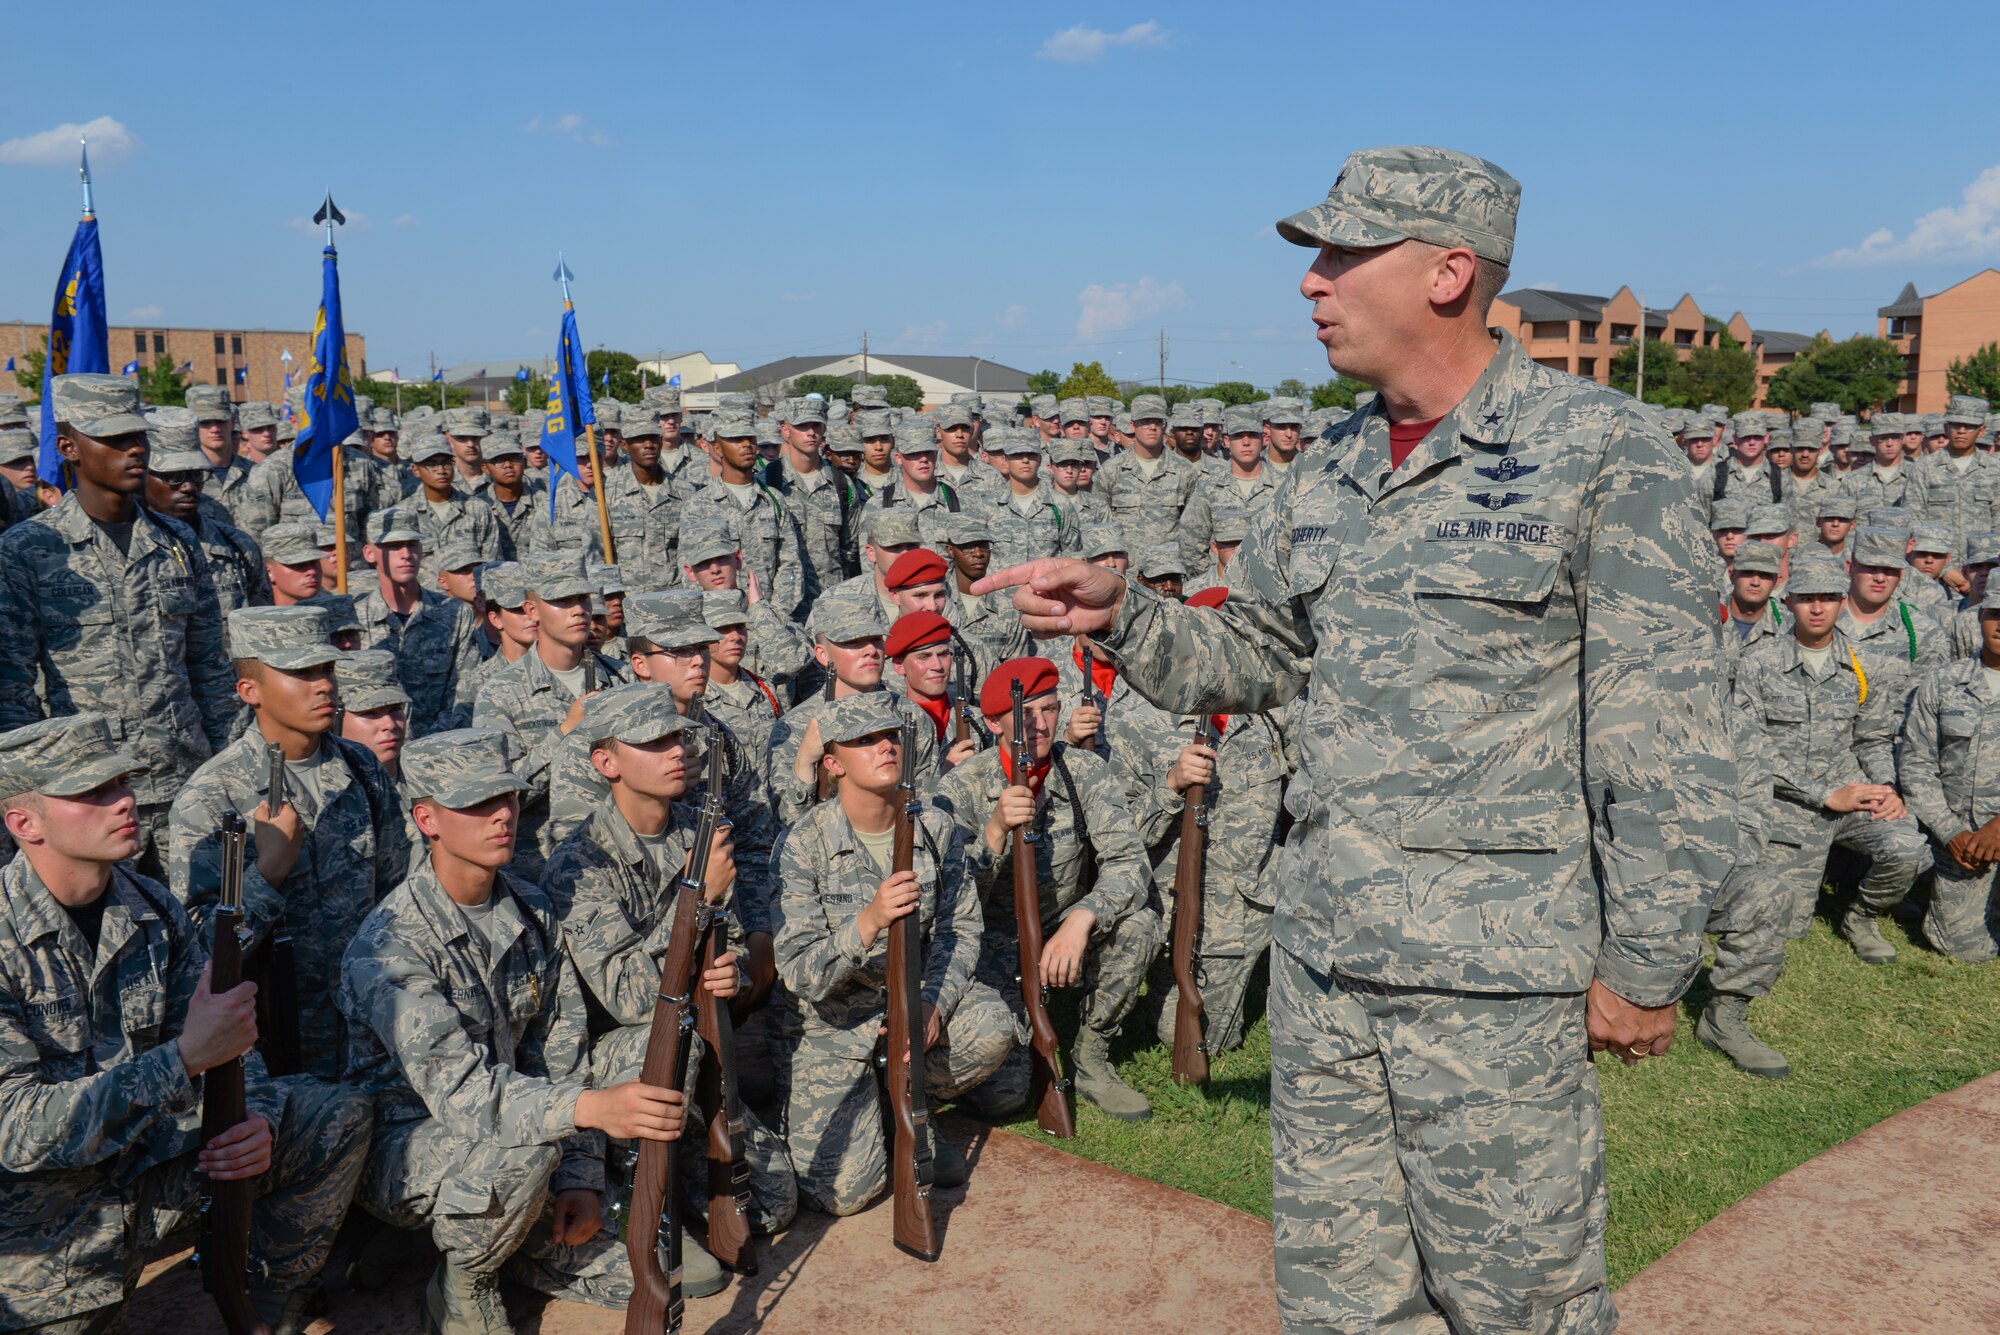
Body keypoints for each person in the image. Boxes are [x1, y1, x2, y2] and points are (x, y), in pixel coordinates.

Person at [977, 145, 1735, 1334]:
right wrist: (1120, 616)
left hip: (1491, 980)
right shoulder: (1326, 461)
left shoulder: (1603, 451)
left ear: (1445, 272)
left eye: (1338, 254)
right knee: (1340, 1303)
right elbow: (1262, 659)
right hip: (1325, 954)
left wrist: (1644, 964)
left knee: (1515, 1303)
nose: (1309, 283)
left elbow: (1666, 735)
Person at [0, 713, 370, 1335]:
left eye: (121, 784)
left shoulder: (152, 907)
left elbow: (228, 1042)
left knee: (333, 1116)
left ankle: (273, 1303)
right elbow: (13, 1131)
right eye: (92, 793)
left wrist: (253, 1118)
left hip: (154, 1169)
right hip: (46, 1222)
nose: (123, 803)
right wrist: (179, 1063)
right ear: (24, 823)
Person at [339, 729, 688, 1333]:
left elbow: (562, 1047)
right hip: (407, 1145)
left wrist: (578, 1177)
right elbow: (464, 1093)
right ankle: (463, 1284)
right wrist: (589, 1111)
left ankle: (510, 1237)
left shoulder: (531, 910)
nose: (501, 815)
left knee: (670, 1272)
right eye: (476, 804)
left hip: (521, 1133)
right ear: (427, 819)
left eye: (507, 797)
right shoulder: (391, 944)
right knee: (523, 1154)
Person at [540, 685, 797, 1273]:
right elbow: (630, 997)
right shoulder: (580, 864)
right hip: (618, 1058)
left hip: (697, 1048)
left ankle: (681, 1167)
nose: (676, 751)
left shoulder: (698, 831)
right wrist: (693, 900)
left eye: (678, 737)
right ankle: (636, 1190)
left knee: (776, 1202)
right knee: (674, 1038)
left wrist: (726, 968)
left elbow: (719, 941)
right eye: (653, 743)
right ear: (606, 762)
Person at [770, 692, 1010, 1216]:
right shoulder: (802, 843)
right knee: (845, 1196)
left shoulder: (935, 828)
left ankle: (906, 1099)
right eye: (864, 741)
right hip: (834, 1022)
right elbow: (797, 972)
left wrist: (933, 1002)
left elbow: (961, 930)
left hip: (913, 998)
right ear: (833, 764)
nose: (884, 747)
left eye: (890, 737)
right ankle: (872, 1108)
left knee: (993, 1026)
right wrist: (868, 922)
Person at [0, 374, 237, 874]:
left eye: (138, 437)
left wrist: (230, 771)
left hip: (186, 785)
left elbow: (210, 669)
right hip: (87, 799)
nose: (134, 451)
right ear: (68, 447)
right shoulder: (29, 551)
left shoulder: (177, 543)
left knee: (204, 939)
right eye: (112, 439)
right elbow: (13, 692)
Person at [165, 605, 411, 1085]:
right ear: (249, 690)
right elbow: (200, 956)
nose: (323, 685)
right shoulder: (213, 796)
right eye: (300, 672)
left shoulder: (361, 771)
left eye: (325, 669)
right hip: (279, 1057)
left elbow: (398, 895)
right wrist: (269, 874)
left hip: (374, 1030)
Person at [1710, 556, 1928, 1076]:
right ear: (1788, 603)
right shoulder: (1759, 663)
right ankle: (1724, 1013)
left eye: (1827, 598)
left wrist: (1885, 790)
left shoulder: (1859, 666)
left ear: (1840, 603)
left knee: (1908, 848)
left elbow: (1872, 738)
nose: (1817, 607)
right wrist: (1821, 793)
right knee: (1778, 920)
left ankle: (1862, 917)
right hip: (1782, 804)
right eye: (1807, 597)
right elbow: (1750, 749)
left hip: (1849, 799)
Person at [931, 658, 1160, 1120]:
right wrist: (995, 830)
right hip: (991, 940)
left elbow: (1128, 864)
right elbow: (949, 899)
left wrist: (1082, 918)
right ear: (994, 722)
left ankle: (1093, 1053)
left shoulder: (1082, 771)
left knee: (1141, 922)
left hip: (1061, 923)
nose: (1041, 724)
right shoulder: (960, 788)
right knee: (1007, 1097)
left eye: (1051, 709)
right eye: (1027, 713)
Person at [471, 552, 628, 879]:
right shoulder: (501, 694)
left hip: (622, 858)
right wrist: (565, 732)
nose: (578, 610)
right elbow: (502, 799)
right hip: (543, 867)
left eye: (582, 598)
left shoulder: (622, 680)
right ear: (532, 610)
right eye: (561, 600)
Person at [353, 507, 485, 737]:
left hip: (441, 746)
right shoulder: (355, 619)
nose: (406, 554)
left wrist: (430, 743)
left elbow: (465, 692)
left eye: (412, 545)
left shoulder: (454, 614)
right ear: (369, 553)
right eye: (393, 546)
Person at [144, 429, 270, 616]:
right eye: (173, 477)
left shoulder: (239, 547)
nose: (189, 487)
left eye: (197, 475)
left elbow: (262, 626)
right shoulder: (127, 549)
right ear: (143, 477)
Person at [337, 647, 412, 778]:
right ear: (335, 717)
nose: (390, 724)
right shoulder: (320, 791)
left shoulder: (432, 781)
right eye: (370, 712)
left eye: (395, 709)